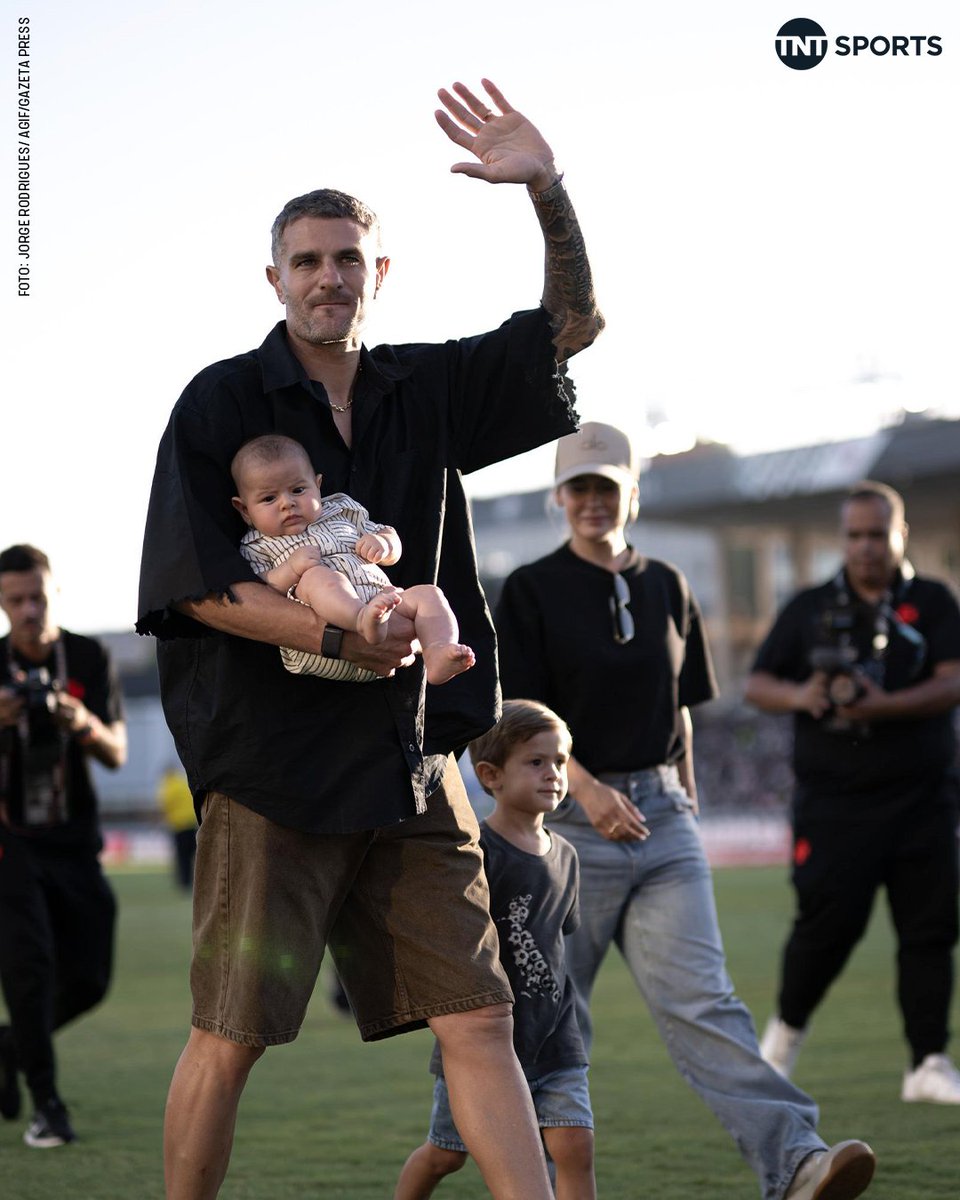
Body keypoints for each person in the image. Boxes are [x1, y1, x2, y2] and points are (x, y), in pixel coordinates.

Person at [137, 78, 603, 1200]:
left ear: (376, 273)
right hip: (275, 771)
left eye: (349, 258)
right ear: (276, 278)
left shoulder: (423, 386)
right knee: (232, 1035)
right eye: (307, 260)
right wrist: (342, 639)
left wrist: (547, 188)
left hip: (414, 766)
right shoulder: (219, 404)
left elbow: (570, 330)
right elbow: (196, 587)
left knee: (482, 1019)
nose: (329, 277)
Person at [495, 423, 876, 1200]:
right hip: (569, 829)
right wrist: (591, 791)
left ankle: (799, 1163)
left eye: (608, 486)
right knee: (548, 1017)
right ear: (560, 497)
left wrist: (687, 799)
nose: (594, 501)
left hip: (664, 821)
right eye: (580, 487)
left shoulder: (669, 582)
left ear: (631, 492)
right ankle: (502, 1167)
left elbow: (684, 707)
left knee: (707, 1003)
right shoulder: (533, 588)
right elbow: (522, 712)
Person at [745, 480, 960, 1104]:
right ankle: (781, 1045)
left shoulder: (935, 601)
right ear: (843, 539)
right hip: (835, 800)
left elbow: (952, 680)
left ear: (901, 535)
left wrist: (886, 705)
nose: (865, 547)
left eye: (877, 534)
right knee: (825, 925)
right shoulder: (809, 605)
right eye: (855, 535)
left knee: (930, 929)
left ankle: (928, 1062)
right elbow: (759, 682)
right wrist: (802, 695)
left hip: (924, 796)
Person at [395, 700, 595, 1200]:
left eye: (561, 761)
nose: (553, 773)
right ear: (490, 775)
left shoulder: (567, 856)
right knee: (447, 1153)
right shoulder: (475, 852)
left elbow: (556, 942)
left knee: (573, 1145)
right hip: (484, 1041)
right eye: (536, 761)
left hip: (555, 1035)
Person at [0, 544, 126, 1147]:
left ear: (53, 593)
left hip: (73, 838)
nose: (28, 610)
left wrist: (80, 721)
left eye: (37, 597)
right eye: (15, 600)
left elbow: (116, 750)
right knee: (28, 967)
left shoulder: (86, 655)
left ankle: (8, 1046)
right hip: (8, 844)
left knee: (90, 978)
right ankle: (47, 1107)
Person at [231, 433, 475, 685]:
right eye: (269, 498)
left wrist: (385, 544)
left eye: (298, 490)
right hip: (325, 639)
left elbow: (388, 535)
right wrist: (292, 569)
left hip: (384, 607)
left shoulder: (342, 510)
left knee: (429, 594)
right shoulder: (255, 544)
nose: (287, 503)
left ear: (318, 484)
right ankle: (362, 619)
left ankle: (438, 651)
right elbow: (262, 591)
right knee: (317, 576)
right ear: (245, 510)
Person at [157, 763, 197, 891]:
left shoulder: (168, 786)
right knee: (194, 855)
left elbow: (164, 805)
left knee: (182, 856)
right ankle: (195, 881)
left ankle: (184, 883)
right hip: (192, 823)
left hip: (179, 826)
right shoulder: (183, 782)